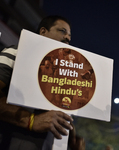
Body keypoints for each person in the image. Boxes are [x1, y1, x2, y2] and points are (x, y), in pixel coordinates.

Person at [0, 15, 85, 150]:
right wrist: (31, 120)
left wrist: (70, 141)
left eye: (70, 35)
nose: (68, 38)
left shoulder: (66, 76)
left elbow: (56, 118)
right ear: (43, 32)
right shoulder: (16, 53)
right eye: (62, 31)